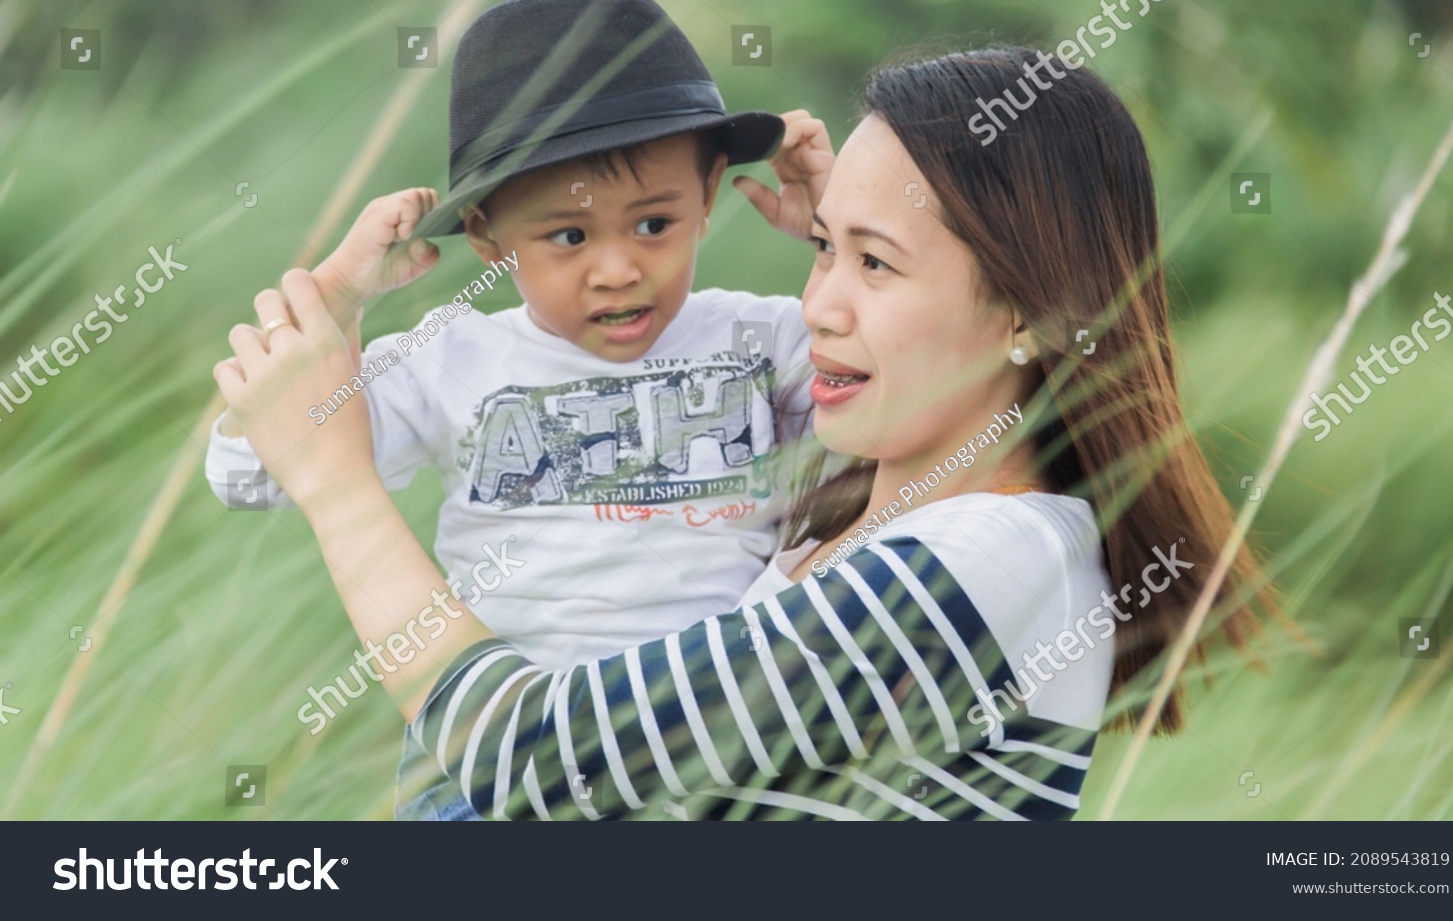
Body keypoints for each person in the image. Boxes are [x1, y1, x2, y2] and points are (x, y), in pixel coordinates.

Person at [215, 46, 1272, 820]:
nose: (818, 304)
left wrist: (339, 485)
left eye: (876, 265)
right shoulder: (842, 525)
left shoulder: (987, 564)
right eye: (820, 252)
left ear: (1029, 315)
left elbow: (540, 762)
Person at [204, 0, 839, 676]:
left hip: (714, 731)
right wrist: (335, 297)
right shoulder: (449, 359)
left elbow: (925, 383)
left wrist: (839, 236)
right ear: (486, 235)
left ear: (708, 193)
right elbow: (250, 475)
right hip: (507, 742)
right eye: (569, 235)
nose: (619, 269)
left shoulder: (767, 341)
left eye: (655, 225)